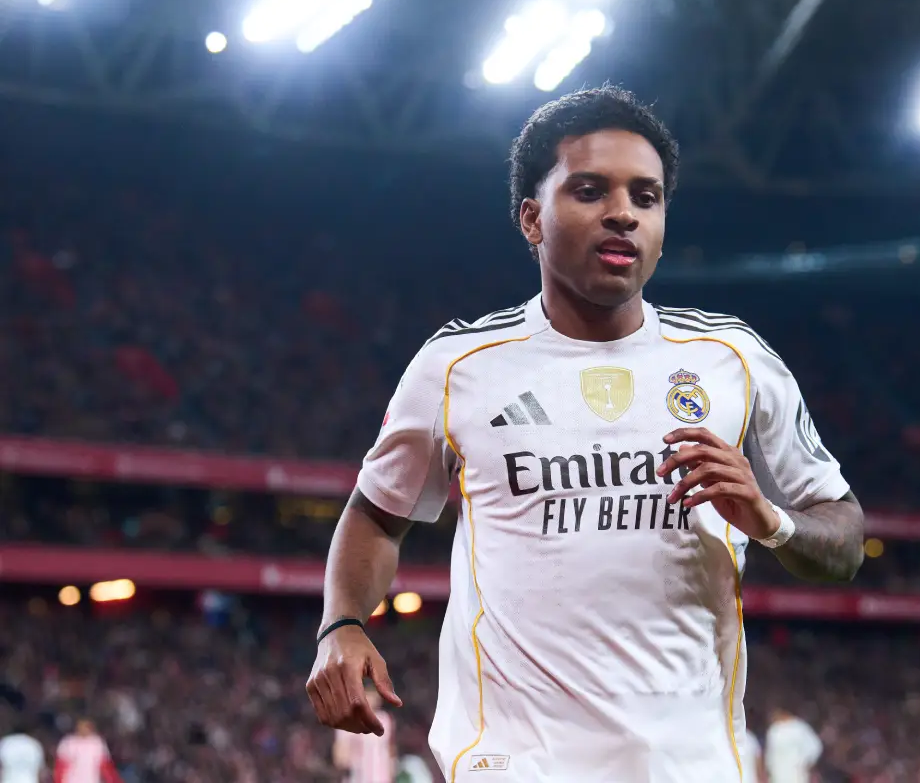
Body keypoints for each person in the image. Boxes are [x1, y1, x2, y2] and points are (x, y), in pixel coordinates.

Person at [307, 84, 864, 782]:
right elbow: (375, 516)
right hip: (513, 765)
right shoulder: (456, 367)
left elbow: (844, 539)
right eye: (591, 190)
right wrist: (342, 623)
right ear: (532, 218)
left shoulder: (734, 360)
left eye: (646, 197)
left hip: (688, 767)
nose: (624, 213)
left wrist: (771, 521)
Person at [332, 689, 394, 783]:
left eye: (375, 696)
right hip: (358, 776)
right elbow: (340, 757)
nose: (372, 699)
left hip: (381, 777)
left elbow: (389, 748)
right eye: (368, 696)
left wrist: (391, 770)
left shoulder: (384, 719)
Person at [764, 707, 823, 783]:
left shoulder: (800, 727)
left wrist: (805, 764)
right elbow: (770, 755)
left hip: (796, 774)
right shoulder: (773, 730)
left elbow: (816, 747)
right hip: (777, 775)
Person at [53, 720, 120, 783]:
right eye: (82, 726)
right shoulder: (68, 743)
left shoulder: (97, 743)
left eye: (86, 727)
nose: (84, 729)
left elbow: (106, 768)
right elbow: (60, 768)